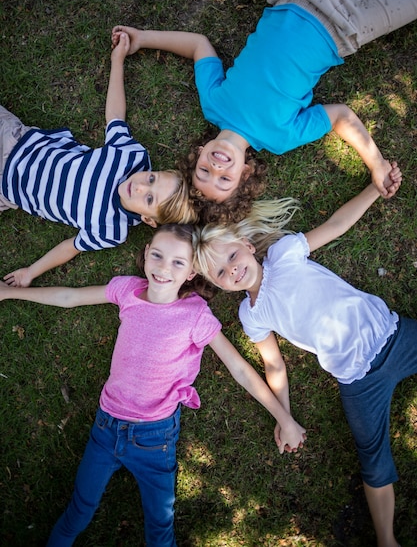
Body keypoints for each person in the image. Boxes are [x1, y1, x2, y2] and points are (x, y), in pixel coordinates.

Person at [0, 223, 306, 547]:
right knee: (78, 509)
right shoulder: (127, 290)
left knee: (160, 530)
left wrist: (284, 418)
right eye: (158, 255)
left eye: (178, 262)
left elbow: (240, 369)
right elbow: (70, 297)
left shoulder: (195, 314)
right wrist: (12, 292)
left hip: (154, 438)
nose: (163, 267)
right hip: (105, 428)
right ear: (146, 254)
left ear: (191, 272)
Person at [112, 0, 417, 223]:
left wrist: (143, 38)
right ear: (244, 173)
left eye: (204, 172)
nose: (216, 169)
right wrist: (376, 164)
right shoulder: (279, 138)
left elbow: (199, 46)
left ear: (199, 153)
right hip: (347, 24)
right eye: (224, 180)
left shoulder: (214, 104)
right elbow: (340, 116)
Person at [192, 163, 409, 547]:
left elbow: (336, 225)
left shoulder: (284, 253)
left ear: (245, 245)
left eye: (230, 258)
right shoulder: (252, 315)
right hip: (358, 378)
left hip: (392, 335)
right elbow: (274, 364)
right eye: (220, 275)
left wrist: (376, 189)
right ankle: (386, 539)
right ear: (219, 287)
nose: (232, 271)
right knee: (373, 459)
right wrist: (285, 415)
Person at [1, 31, 196, 288]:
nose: (139, 186)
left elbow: (71, 247)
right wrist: (118, 60)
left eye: (149, 198)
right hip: (17, 144)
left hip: (7, 192)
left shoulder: (111, 230)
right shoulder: (130, 157)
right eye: (151, 178)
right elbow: (115, 117)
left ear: (148, 220)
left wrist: (31, 271)